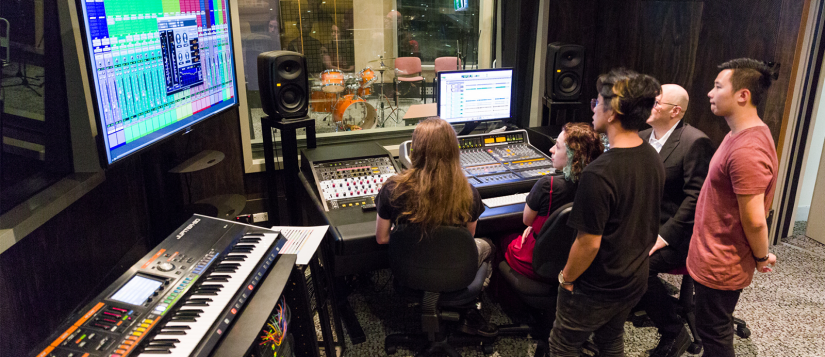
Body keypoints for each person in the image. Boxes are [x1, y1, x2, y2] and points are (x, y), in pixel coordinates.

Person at [549, 69, 664, 357]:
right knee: (611, 340)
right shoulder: (652, 156)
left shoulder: (599, 173)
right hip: (633, 278)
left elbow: (588, 243)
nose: (593, 108)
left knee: (563, 346)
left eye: (597, 102)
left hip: (597, 287)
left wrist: (567, 278)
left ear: (612, 112)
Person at [687, 58, 778, 357]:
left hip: (722, 261)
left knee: (714, 334)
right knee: (709, 327)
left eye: (717, 86)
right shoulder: (736, 134)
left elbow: (754, 220)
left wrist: (762, 255)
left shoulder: (748, 150)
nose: (710, 94)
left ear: (743, 95)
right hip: (712, 254)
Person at [374, 117, 498, 337]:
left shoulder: (393, 188)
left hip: (409, 275)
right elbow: (468, 238)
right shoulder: (469, 192)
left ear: (415, 150)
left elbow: (382, 239)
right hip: (456, 272)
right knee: (488, 245)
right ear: (453, 151)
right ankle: (470, 308)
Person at [634, 84, 715, 357]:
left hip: (678, 233)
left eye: (656, 103)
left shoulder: (695, 142)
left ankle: (673, 330)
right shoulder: (642, 137)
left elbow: (695, 200)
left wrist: (664, 236)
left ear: (675, 111)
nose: (650, 106)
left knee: (638, 268)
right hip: (643, 226)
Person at [503, 122, 604, 281]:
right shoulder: (599, 186)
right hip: (576, 263)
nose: (551, 150)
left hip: (537, 263)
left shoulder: (547, 185)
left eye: (557, 146)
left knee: (501, 238)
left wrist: (536, 228)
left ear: (573, 156)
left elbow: (527, 220)